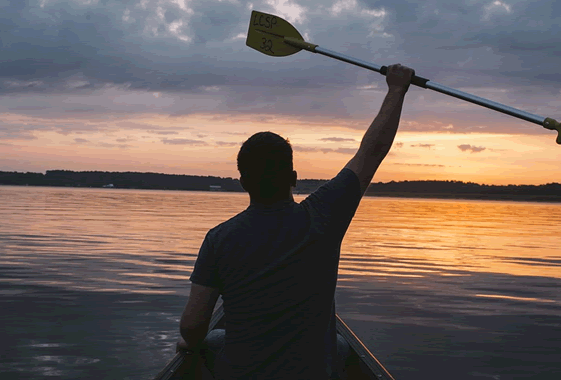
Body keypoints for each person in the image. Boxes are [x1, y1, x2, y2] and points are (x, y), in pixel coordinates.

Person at [177, 64, 415, 379]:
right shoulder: (324, 215)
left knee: (202, 344)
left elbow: (193, 327)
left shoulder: (219, 239)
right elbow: (372, 151)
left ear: (243, 183)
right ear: (293, 178)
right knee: (340, 345)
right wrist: (396, 89)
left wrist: (188, 344)